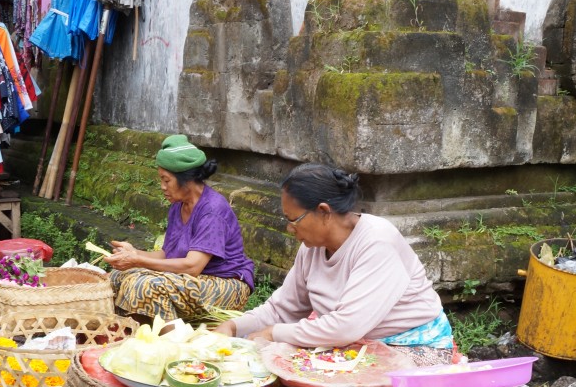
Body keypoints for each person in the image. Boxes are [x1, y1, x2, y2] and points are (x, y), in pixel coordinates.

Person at [214, 163, 453, 365]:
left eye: (293, 220)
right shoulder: (311, 247)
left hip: (410, 347)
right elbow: (282, 309)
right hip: (351, 345)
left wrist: (273, 333)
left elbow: (346, 327)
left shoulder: (377, 241)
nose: (289, 228)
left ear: (324, 212)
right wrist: (233, 327)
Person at [104, 134, 255, 323]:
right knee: (118, 276)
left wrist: (137, 260)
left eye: (166, 180)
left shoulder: (212, 210)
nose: (162, 187)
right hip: (194, 278)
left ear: (186, 180)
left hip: (226, 284)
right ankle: (133, 332)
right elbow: (168, 255)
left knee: (144, 285)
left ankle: (170, 341)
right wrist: (134, 253)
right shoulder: (178, 206)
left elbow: (193, 266)